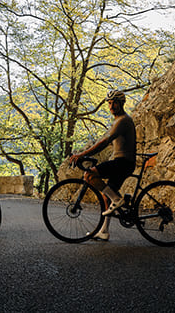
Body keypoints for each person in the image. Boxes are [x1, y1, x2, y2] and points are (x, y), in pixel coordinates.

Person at [68, 89, 137, 241]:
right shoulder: (118, 120)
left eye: (115, 103)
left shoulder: (123, 120)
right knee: (107, 197)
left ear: (121, 104)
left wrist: (82, 154)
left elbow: (104, 142)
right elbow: (105, 139)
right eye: (110, 103)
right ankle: (104, 231)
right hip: (124, 163)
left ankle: (119, 200)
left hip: (123, 163)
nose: (111, 106)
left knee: (89, 175)